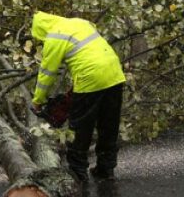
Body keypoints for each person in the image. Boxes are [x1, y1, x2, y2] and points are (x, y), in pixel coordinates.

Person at [31, 11, 125, 183]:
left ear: (40, 30)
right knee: (108, 124)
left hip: (90, 79)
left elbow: (47, 73)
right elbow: (88, 52)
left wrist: (38, 101)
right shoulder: (80, 23)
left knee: (80, 128)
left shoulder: (54, 36)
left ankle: (77, 173)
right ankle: (106, 169)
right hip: (115, 73)